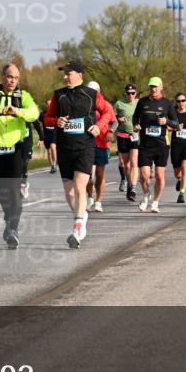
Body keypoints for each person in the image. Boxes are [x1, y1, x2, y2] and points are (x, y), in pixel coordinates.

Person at [44, 61, 113, 248]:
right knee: (69, 191)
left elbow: (108, 112)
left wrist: (99, 126)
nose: (66, 76)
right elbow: (47, 119)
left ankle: (77, 226)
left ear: (80, 75)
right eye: (64, 74)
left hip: (85, 146)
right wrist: (56, 121)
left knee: (81, 186)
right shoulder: (59, 95)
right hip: (65, 147)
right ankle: (82, 214)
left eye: (69, 73)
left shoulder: (91, 94)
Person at [0, 64, 41, 248]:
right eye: (10, 77)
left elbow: (34, 113)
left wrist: (17, 111)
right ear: (3, 76)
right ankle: (9, 220)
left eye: (16, 78)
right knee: (4, 191)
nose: (13, 81)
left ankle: (13, 229)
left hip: (16, 149)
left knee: (14, 190)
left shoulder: (23, 96)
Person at [133, 76, 178, 213]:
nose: (153, 89)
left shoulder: (167, 103)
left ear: (161, 88)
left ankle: (156, 202)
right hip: (145, 144)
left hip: (161, 144)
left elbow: (175, 123)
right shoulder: (142, 102)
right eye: (151, 86)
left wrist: (167, 122)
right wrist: (136, 125)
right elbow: (135, 118)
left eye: (155, 86)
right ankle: (146, 195)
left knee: (159, 176)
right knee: (145, 175)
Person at [85, 81, 115, 213]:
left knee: (99, 174)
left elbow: (114, 122)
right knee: (88, 175)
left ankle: (98, 201)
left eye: (94, 91)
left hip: (102, 143)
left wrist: (111, 131)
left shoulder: (106, 105)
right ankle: (90, 198)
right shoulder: (84, 105)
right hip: (87, 143)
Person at [113, 84, 140, 201]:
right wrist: (118, 119)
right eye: (128, 93)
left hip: (134, 135)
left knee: (134, 163)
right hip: (122, 136)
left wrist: (140, 126)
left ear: (136, 93)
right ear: (125, 93)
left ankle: (133, 188)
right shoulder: (119, 104)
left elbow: (144, 118)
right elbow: (112, 120)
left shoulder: (139, 103)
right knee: (126, 165)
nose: (130, 95)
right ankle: (129, 184)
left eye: (133, 93)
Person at [42, 97, 58, 174]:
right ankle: (52, 166)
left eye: (50, 104)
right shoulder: (42, 114)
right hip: (46, 135)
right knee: (48, 152)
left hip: (54, 134)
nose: (49, 105)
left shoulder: (56, 113)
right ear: (46, 105)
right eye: (48, 104)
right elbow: (39, 124)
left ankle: (55, 164)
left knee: (53, 148)